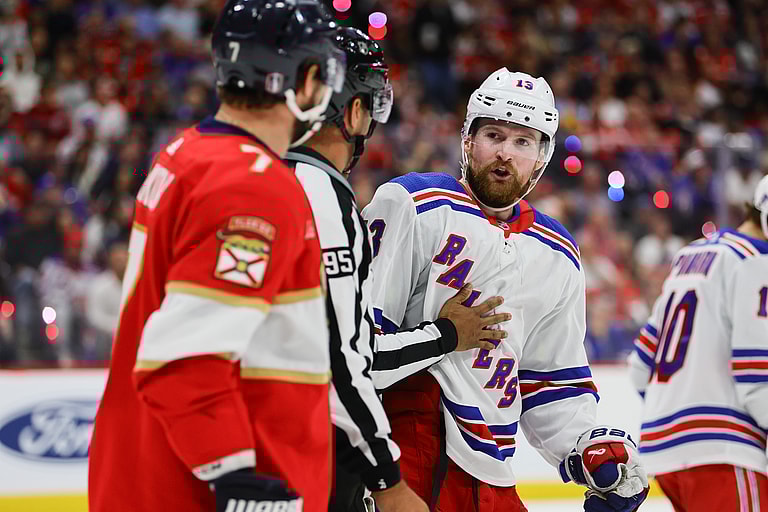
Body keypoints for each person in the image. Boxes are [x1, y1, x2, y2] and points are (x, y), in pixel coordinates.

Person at [88, 1, 347, 511]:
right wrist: (235, 474)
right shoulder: (253, 186)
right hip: (197, 489)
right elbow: (185, 359)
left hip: (144, 465)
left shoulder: (187, 151)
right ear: (305, 77)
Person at [361, 68, 650, 512]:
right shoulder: (412, 204)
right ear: (468, 140)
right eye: (493, 134)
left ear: (541, 157)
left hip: (494, 467)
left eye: (522, 142)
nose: (505, 153)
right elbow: (357, 351)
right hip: (407, 446)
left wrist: (585, 448)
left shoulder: (557, 251)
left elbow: (550, 380)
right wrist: (443, 335)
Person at [285, 28, 509, 512]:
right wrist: (446, 334)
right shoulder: (322, 193)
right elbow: (353, 362)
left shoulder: (258, 175)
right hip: (303, 458)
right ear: (354, 110)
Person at [627, 175, 768, 511]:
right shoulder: (758, 262)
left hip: (665, 449)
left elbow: (640, 365)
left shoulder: (693, 253)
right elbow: (757, 378)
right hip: (726, 450)